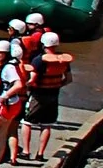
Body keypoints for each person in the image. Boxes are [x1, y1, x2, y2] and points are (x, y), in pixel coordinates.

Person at [24, 32, 71, 160]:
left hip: (38, 95)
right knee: (46, 125)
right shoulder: (63, 61)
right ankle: (40, 154)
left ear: (43, 44)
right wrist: (57, 85)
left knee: (27, 122)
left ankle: (26, 152)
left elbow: (33, 79)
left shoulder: (39, 60)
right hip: (53, 95)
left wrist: (25, 85)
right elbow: (68, 79)